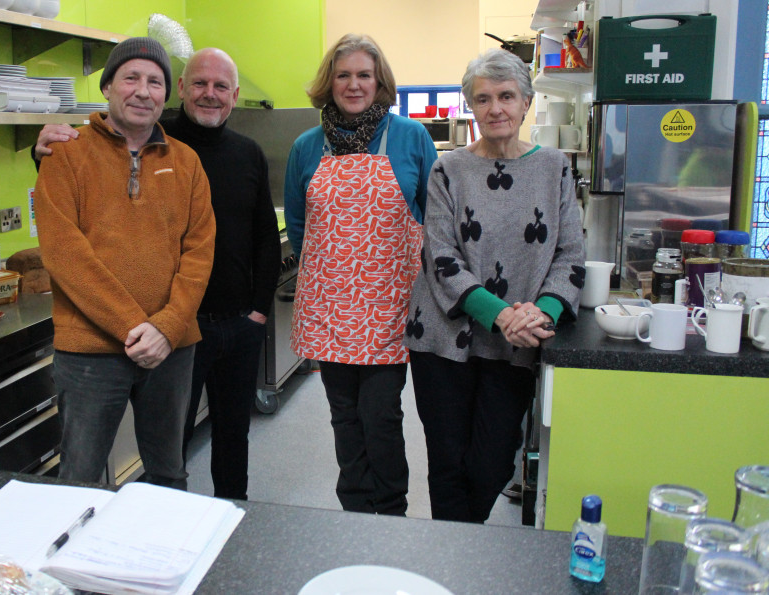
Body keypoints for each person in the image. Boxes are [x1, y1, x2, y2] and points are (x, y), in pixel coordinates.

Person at [34, 48, 281, 501]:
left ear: (166, 92)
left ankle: (165, 566)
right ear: (107, 86)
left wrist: (167, 329)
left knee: (170, 475)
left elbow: (198, 251)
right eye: (131, 79)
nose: (142, 91)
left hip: (173, 345)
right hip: (92, 350)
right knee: (80, 479)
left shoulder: (187, 162)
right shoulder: (65, 155)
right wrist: (138, 328)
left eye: (154, 82)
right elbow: (64, 252)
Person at [405, 48, 585, 523]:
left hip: (516, 342)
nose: (495, 108)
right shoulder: (449, 169)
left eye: (506, 96)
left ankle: (463, 544)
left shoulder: (555, 167)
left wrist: (540, 312)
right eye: (483, 99)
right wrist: (500, 314)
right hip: (444, 338)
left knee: (490, 465)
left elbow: (571, 255)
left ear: (526, 102)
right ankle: (457, 559)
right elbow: (440, 255)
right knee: (447, 463)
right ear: (472, 107)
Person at [284, 33, 437, 516]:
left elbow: (436, 221)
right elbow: (299, 224)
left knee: (382, 417)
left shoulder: (411, 138)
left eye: (364, 75)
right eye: (343, 74)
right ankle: (353, 510)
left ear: (380, 82)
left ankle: (390, 513)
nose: (354, 84)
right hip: (329, 309)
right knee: (344, 418)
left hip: (389, 310)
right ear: (329, 82)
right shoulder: (307, 146)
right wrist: (338, 271)